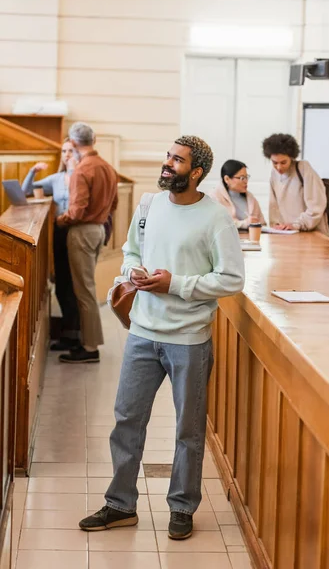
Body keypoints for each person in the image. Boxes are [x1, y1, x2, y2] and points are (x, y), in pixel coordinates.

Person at [78, 136, 245, 540]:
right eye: (168, 156)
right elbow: (131, 251)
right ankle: (120, 505)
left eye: (178, 160)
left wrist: (177, 284)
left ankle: (182, 507)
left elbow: (232, 278)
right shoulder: (149, 205)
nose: (168, 163)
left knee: (187, 429)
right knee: (127, 420)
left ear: (198, 172)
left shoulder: (216, 218)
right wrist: (130, 273)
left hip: (188, 338)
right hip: (141, 332)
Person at [56, 122, 118, 364]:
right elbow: (113, 205)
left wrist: (60, 220)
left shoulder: (82, 170)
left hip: (82, 231)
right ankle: (87, 340)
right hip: (99, 229)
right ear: (95, 139)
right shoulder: (108, 168)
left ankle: (90, 347)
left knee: (84, 292)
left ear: (72, 142)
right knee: (87, 289)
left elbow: (76, 212)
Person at [22, 139, 81, 350]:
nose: (66, 155)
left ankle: (77, 335)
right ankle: (68, 334)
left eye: (71, 151)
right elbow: (25, 190)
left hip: (77, 231)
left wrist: (75, 170)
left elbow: (79, 199)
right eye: (64, 151)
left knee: (75, 285)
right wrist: (33, 171)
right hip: (59, 232)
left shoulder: (81, 177)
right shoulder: (56, 178)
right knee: (62, 283)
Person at [262, 133, 329, 235]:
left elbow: (316, 206)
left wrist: (296, 224)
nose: (279, 167)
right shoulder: (274, 174)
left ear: (292, 158)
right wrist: (276, 227)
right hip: (288, 234)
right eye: (274, 163)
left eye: (283, 162)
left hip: (312, 234)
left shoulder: (303, 168)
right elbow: (274, 207)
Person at [211, 159, 266, 229]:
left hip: (251, 239)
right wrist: (244, 223)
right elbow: (218, 224)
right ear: (227, 179)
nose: (246, 181)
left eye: (246, 177)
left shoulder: (251, 198)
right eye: (242, 178)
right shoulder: (215, 197)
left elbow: (262, 223)